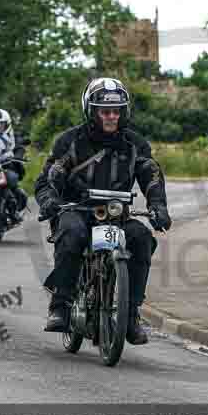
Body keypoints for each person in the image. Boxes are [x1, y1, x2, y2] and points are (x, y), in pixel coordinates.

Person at [34, 77, 172, 344]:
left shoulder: (136, 144)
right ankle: (60, 306)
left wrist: (158, 206)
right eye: (105, 111)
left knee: (142, 238)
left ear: (124, 112)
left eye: (117, 111)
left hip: (116, 215)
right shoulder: (70, 141)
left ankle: (130, 315)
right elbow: (50, 177)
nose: (111, 117)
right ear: (91, 111)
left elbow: (151, 174)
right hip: (76, 210)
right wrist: (50, 200)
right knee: (72, 233)